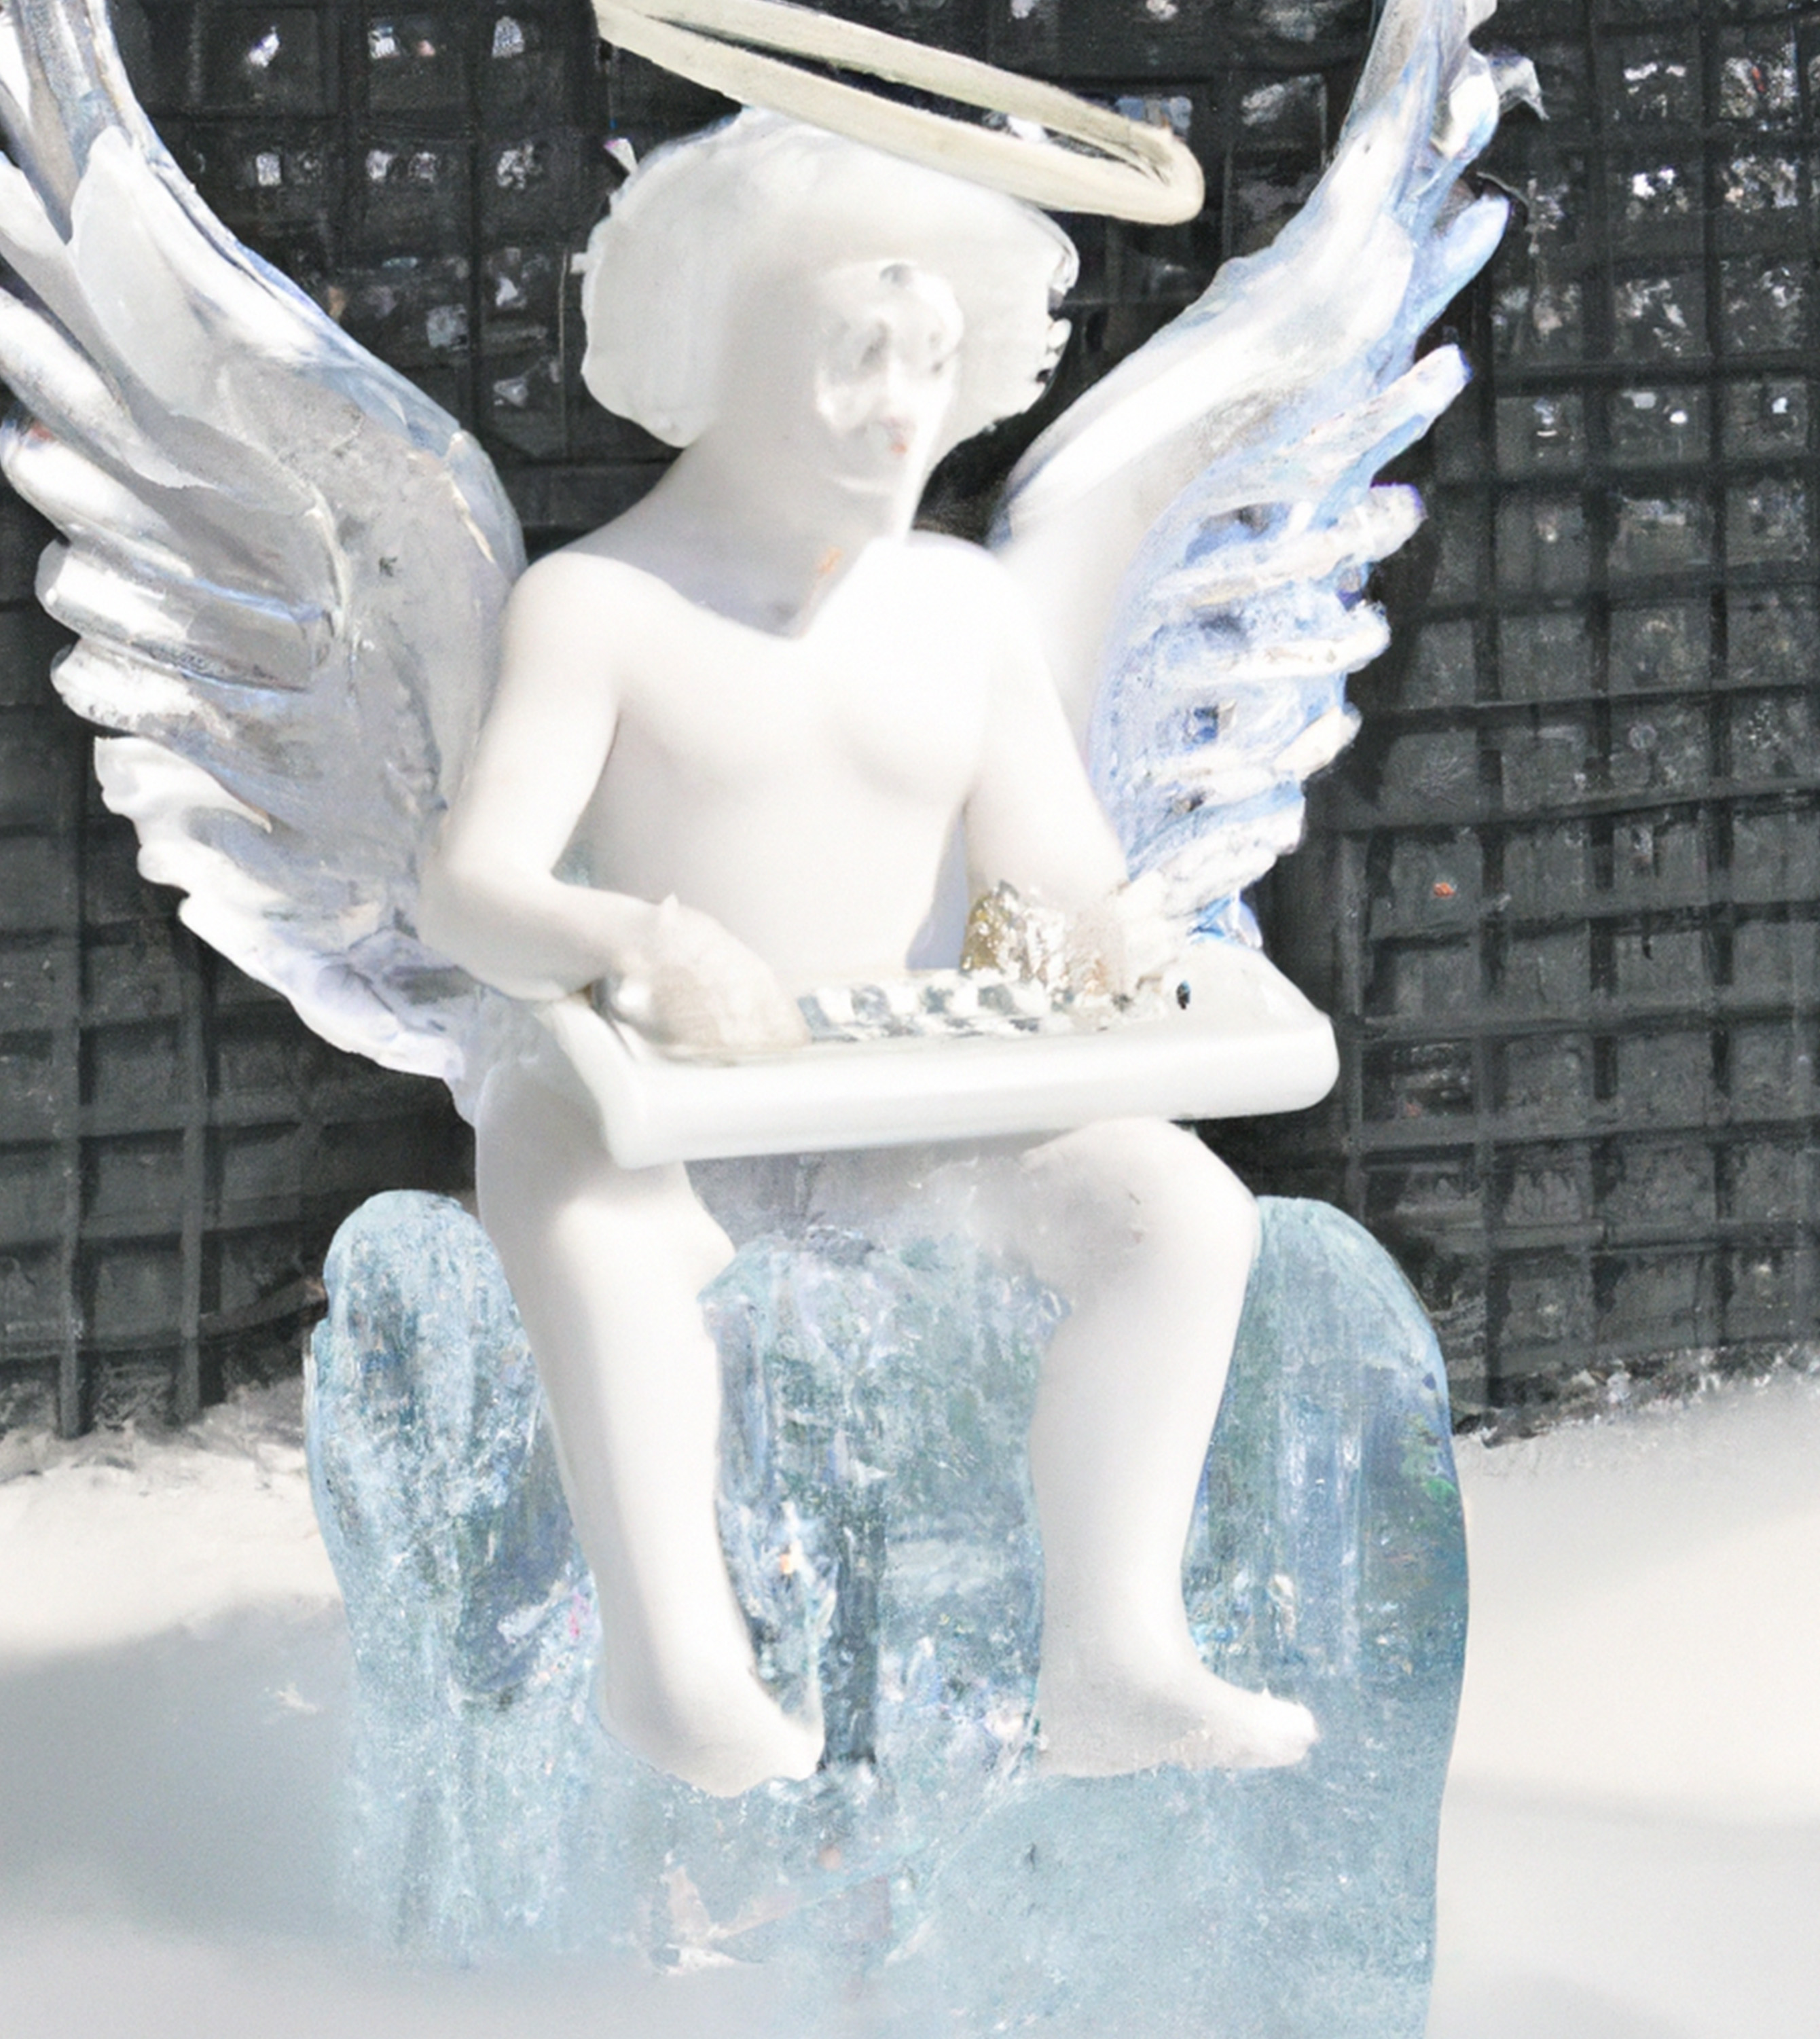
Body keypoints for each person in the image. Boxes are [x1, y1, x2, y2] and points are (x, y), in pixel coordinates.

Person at [417, 114, 1317, 1797]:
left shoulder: (963, 608)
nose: (903, 407)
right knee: (578, 1191)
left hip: (914, 1118)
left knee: (1179, 1214)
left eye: (932, 360)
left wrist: (1103, 932)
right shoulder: (598, 607)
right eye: (853, 359)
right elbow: (467, 891)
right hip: (675, 1128)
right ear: (721, 349)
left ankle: (1114, 1654)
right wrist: (635, 938)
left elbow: (1054, 870)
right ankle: (672, 1664)